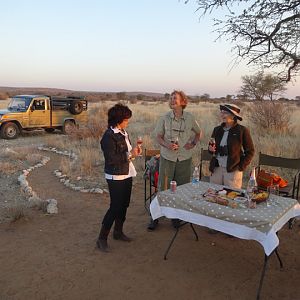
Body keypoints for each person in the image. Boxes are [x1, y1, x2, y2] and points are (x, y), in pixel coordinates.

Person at [148, 90, 202, 230]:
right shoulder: (165, 117)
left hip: (184, 158)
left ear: (183, 102)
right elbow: (158, 136)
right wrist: (167, 144)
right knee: (163, 188)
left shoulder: (190, 118)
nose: (172, 100)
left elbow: (198, 132)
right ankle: (155, 217)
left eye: (175, 98)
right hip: (167, 157)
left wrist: (193, 143)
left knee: (181, 188)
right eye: (171, 98)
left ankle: (176, 218)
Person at [97, 103, 140, 252]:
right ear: (118, 119)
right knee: (115, 206)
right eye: (126, 119)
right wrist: (130, 155)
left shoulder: (123, 132)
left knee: (124, 204)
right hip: (115, 175)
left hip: (126, 172)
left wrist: (133, 154)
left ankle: (118, 232)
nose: (128, 121)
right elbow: (111, 159)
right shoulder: (108, 137)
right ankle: (101, 238)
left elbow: (126, 153)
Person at [209, 104, 254, 189]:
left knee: (231, 196)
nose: (222, 114)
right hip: (216, 168)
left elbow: (250, 151)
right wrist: (210, 149)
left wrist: (240, 167)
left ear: (233, 115)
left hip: (232, 170)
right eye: (221, 112)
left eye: (225, 112)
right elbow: (211, 147)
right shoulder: (217, 130)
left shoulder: (242, 130)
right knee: (213, 194)